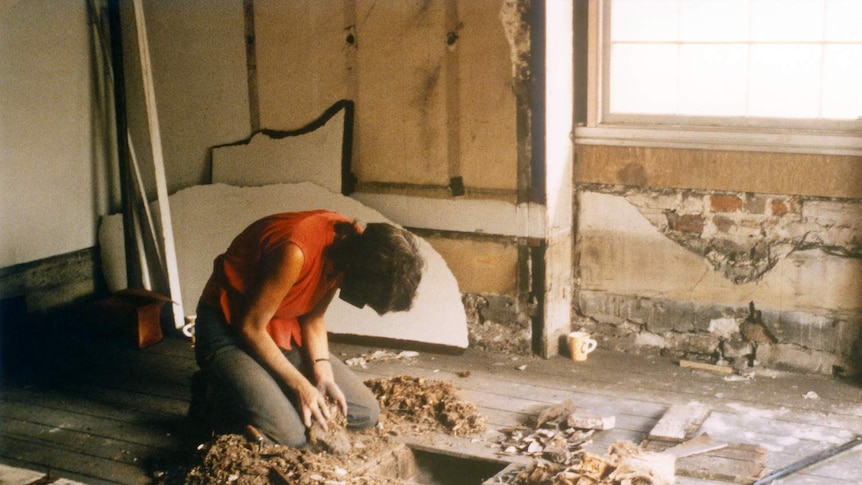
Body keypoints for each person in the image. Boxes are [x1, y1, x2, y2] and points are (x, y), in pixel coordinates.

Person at [188, 210, 424, 447]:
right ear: (360, 275)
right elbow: (250, 327)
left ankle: (261, 387)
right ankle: (216, 394)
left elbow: (313, 318)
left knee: (364, 412)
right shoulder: (296, 251)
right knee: (291, 436)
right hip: (228, 329)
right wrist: (301, 385)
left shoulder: (352, 250)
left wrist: (324, 375)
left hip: (279, 330)